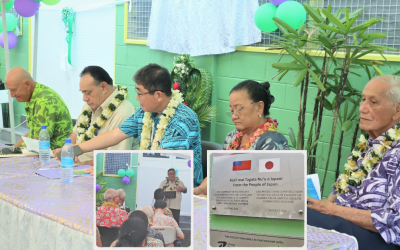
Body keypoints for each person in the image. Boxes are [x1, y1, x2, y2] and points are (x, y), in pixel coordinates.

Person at [307, 75, 400, 249]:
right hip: (344, 224)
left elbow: (396, 221)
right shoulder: (367, 145)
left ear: (397, 111)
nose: (363, 108)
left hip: (377, 239)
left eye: (373, 102)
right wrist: (325, 205)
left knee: (301, 219)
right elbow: (340, 191)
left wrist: (332, 210)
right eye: (363, 100)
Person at [72, 64, 203, 186]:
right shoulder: (145, 113)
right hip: (149, 181)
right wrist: (76, 149)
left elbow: (159, 159)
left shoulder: (183, 119)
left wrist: (109, 167)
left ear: (158, 95)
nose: (136, 98)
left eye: (140, 93)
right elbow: (115, 135)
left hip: (183, 190)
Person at [53, 66, 137, 167]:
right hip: (76, 166)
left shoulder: (123, 112)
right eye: (82, 92)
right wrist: (66, 151)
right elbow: (75, 134)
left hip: (97, 172)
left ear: (104, 87)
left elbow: (114, 160)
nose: (84, 98)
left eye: (88, 92)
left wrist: (79, 164)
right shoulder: (90, 104)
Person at [5, 67, 73, 149]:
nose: (12, 95)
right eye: (10, 90)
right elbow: (32, 135)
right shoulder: (32, 95)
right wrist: (12, 149)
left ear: (27, 85)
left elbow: (38, 144)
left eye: (14, 90)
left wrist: (15, 152)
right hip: (43, 150)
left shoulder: (43, 102)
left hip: (55, 155)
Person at [223, 80, 289, 150]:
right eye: (232, 111)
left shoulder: (272, 143)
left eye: (239, 109)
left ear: (259, 108)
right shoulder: (231, 136)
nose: (233, 117)